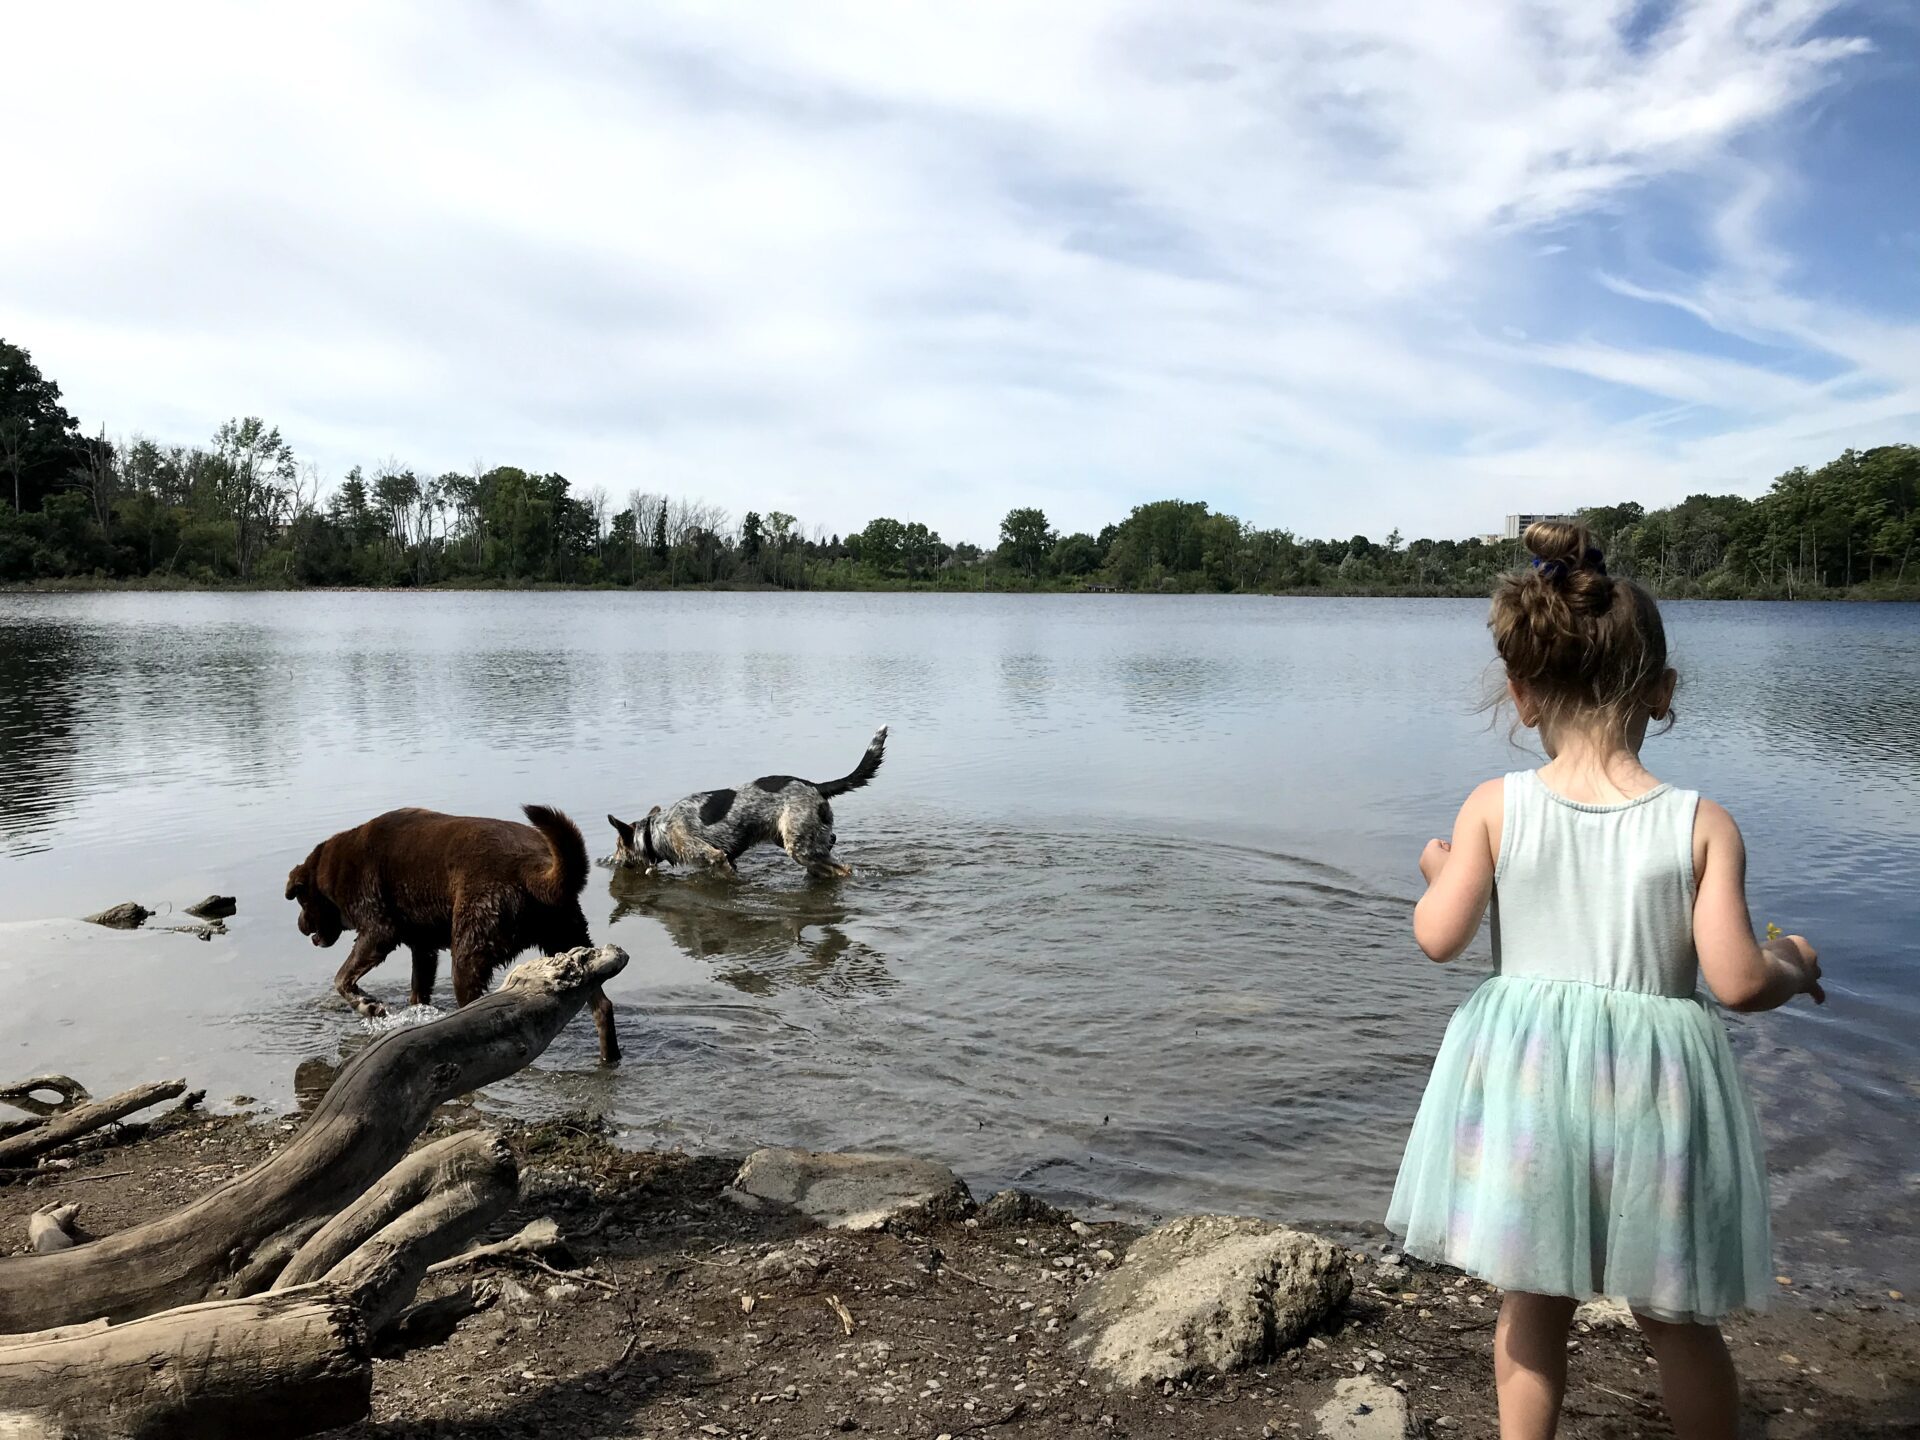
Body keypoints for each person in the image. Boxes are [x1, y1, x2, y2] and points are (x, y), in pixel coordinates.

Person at [1387, 520, 1824, 1440]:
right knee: (1675, 1314)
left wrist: (1442, 870)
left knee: (1532, 1301)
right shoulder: (1702, 823)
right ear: (1663, 693)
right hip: (1655, 1095)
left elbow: (1440, 938)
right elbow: (1738, 982)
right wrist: (1795, 964)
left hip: (1532, 1085)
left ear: (1522, 695)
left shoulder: (1494, 807)